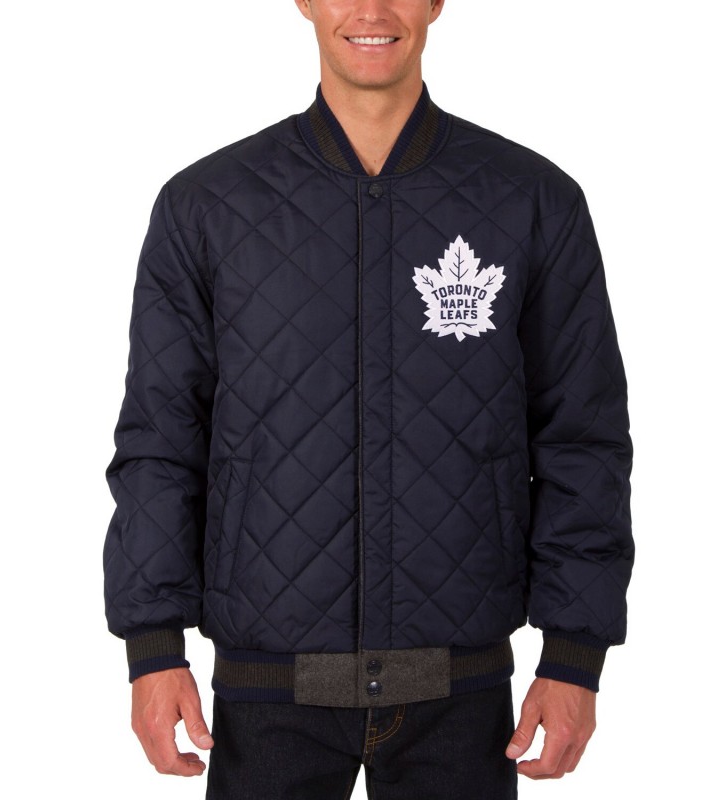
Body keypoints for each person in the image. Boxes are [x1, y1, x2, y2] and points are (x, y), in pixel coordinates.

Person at [103, 1, 634, 797]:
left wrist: (574, 654)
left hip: (461, 697)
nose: (372, 10)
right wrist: (152, 646)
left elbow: (582, 440)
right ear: (305, 2)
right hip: (267, 695)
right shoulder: (207, 206)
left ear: (436, 2)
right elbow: (160, 439)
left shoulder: (531, 201)